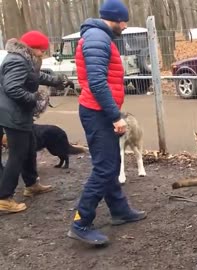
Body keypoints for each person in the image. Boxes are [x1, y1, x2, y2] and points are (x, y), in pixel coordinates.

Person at [67, 0, 146, 246]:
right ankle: (81, 222)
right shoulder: (97, 39)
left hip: (99, 110)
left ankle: (120, 210)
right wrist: (115, 116)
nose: (125, 25)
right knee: (104, 167)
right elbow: (97, 82)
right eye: (124, 21)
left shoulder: (99, 37)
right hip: (98, 113)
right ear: (115, 19)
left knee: (109, 163)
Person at [0, 31, 69, 213]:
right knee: (17, 154)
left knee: (29, 147)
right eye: (42, 51)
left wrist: (58, 82)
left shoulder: (25, 60)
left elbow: (36, 76)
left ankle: (31, 184)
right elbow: (12, 88)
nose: (43, 55)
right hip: (13, 115)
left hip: (20, 114)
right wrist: (35, 99)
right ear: (34, 48)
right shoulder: (16, 61)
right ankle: (4, 198)